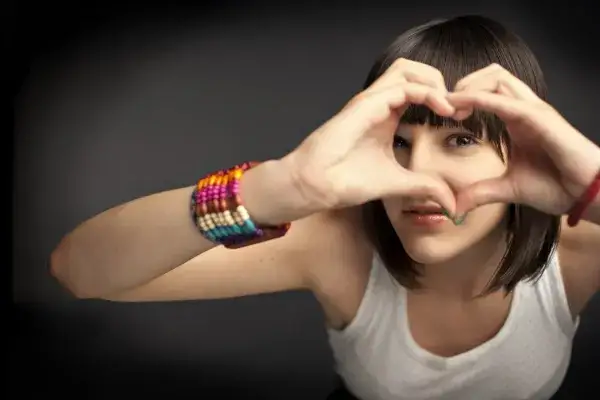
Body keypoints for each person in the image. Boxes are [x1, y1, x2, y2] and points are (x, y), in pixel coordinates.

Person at [50, 14, 600, 400]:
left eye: (459, 140)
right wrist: (273, 188)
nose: (415, 177)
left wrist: (594, 187)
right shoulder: (335, 243)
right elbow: (81, 269)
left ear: (521, 148)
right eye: (399, 142)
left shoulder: (578, 247)